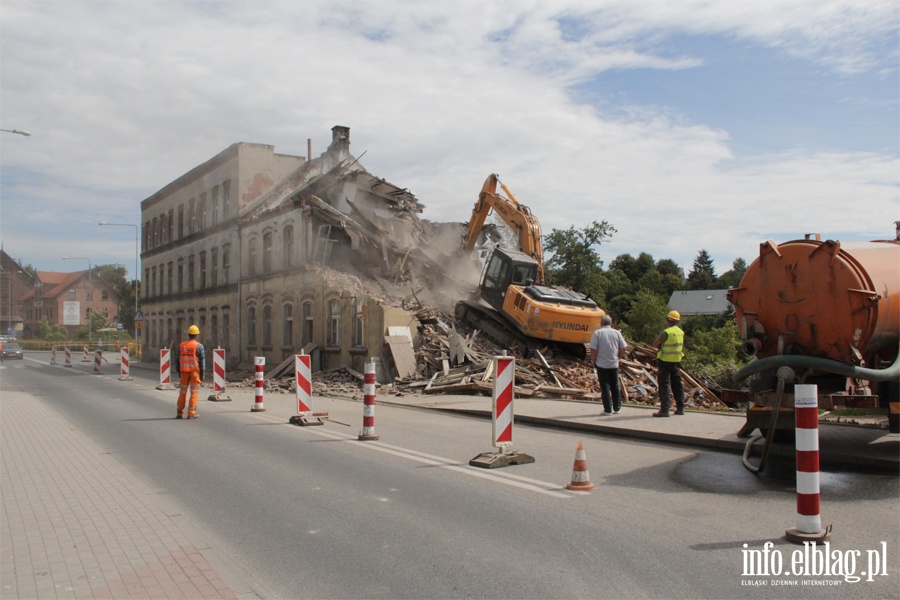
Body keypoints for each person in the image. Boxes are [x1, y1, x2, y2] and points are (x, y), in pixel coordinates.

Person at [589, 314, 628, 415]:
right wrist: (619, 357)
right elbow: (623, 347)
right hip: (614, 363)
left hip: (601, 363)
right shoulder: (616, 333)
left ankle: (607, 409)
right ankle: (617, 408)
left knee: (605, 386)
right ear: (610, 323)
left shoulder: (598, 333)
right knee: (615, 385)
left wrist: (593, 360)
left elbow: (593, 349)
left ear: (601, 323)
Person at [652, 310, 685, 417]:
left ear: (667, 320)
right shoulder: (681, 332)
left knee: (664, 385)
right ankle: (680, 408)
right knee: (677, 385)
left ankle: (665, 409)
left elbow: (656, 343)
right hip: (676, 362)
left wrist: (660, 346)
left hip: (665, 361)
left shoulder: (666, 332)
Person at [175, 324, 206, 419]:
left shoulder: (181, 345)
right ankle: (191, 413)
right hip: (194, 373)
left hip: (184, 372)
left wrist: (179, 371)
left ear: (188, 334)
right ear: (196, 335)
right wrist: (202, 374)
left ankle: (179, 412)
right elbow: (202, 362)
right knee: (194, 392)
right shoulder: (199, 346)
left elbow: (177, 359)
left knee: (182, 392)